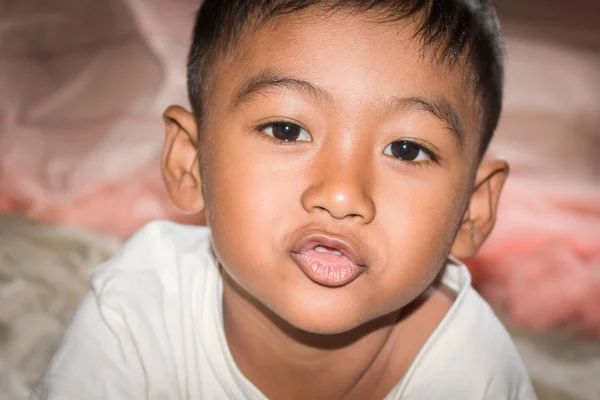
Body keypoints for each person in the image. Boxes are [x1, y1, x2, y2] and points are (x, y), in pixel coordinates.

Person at [32, 0, 536, 398]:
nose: (341, 194)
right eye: (287, 129)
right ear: (189, 162)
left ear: (473, 209)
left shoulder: (474, 373)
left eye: (406, 149)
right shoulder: (138, 309)